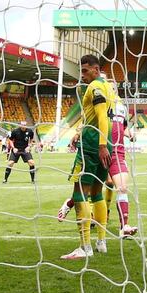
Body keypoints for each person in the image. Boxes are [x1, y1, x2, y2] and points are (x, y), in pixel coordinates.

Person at [61, 54, 113, 261]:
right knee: (97, 193)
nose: (82, 75)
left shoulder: (94, 87)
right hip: (102, 142)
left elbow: (101, 115)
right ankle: (101, 242)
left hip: (92, 145)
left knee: (79, 193)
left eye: (85, 70)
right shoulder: (109, 86)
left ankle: (85, 246)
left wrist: (100, 145)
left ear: (96, 69)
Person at [103, 89, 137, 237]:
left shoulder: (122, 107)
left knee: (122, 187)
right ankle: (70, 203)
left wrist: (129, 134)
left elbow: (122, 127)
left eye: (112, 87)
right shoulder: (100, 104)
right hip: (100, 150)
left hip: (118, 152)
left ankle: (124, 227)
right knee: (89, 190)